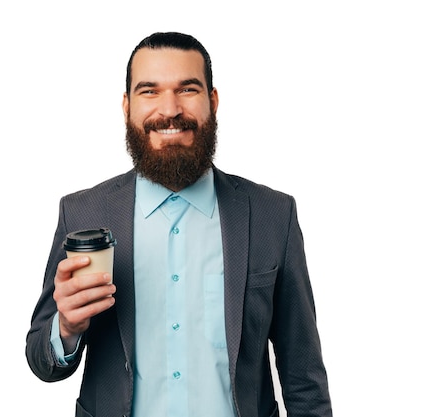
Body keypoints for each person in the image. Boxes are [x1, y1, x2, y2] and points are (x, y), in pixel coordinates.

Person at [26, 32, 332, 417]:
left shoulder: (273, 215)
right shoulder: (84, 214)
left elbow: (303, 376)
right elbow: (40, 358)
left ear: (213, 101)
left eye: (187, 89)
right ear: (127, 106)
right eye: (149, 91)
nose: (169, 109)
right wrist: (66, 329)